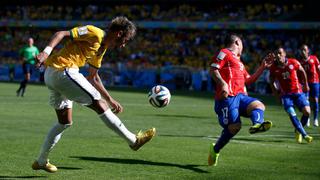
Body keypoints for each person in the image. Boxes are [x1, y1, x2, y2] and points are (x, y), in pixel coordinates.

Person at [32, 16, 156, 173]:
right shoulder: (95, 33)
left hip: (52, 75)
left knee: (64, 122)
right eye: (125, 40)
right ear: (119, 33)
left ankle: (41, 161)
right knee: (98, 103)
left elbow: (93, 77)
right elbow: (61, 33)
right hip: (63, 70)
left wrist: (109, 99)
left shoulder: (101, 49)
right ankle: (133, 141)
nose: (124, 45)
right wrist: (45, 52)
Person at [208, 34, 273, 167]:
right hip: (226, 98)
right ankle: (215, 150)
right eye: (242, 43)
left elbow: (248, 80)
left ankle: (257, 124)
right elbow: (213, 69)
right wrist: (222, 83)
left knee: (258, 105)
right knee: (234, 127)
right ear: (237, 42)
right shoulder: (224, 52)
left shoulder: (239, 63)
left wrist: (262, 67)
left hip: (240, 96)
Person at [269, 46, 313, 144]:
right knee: (292, 113)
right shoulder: (273, 67)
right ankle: (304, 134)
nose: (278, 55)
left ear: (285, 54)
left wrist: (305, 85)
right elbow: (271, 81)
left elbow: (302, 71)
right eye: (276, 54)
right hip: (286, 95)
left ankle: (298, 130)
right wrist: (276, 94)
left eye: (280, 53)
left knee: (307, 112)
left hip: (298, 92)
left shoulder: (293, 62)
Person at [298, 44, 320, 127]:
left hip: (315, 82)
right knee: (306, 101)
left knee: (315, 100)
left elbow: (319, 69)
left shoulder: (314, 59)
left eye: (304, 50)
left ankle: (315, 119)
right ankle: (307, 119)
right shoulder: (300, 62)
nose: (303, 52)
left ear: (308, 51)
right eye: (301, 50)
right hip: (305, 83)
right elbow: (299, 75)